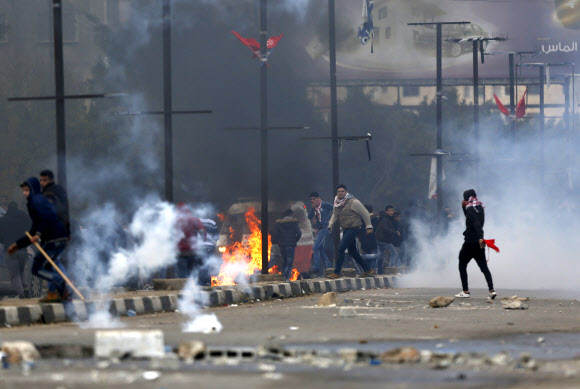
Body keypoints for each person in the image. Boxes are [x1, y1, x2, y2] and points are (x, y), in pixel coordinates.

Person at [6, 177, 72, 303]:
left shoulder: (37, 202)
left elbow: (44, 219)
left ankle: (61, 285)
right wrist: (18, 244)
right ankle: (56, 291)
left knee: (38, 268)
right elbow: (32, 230)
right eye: (23, 190)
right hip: (56, 237)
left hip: (53, 238)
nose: (24, 193)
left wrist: (39, 232)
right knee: (53, 264)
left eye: (26, 190)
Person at [455, 189, 497, 300]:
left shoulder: (470, 209)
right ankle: (492, 290)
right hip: (478, 244)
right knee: (484, 267)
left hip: (470, 242)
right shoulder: (479, 207)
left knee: (462, 264)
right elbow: (469, 218)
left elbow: (476, 224)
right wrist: (463, 207)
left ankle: (465, 291)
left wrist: (480, 237)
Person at [327, 184, 375, 279]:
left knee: (341, 248)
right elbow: (335, 214)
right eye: (339, 191)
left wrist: (369, 226)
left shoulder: (353, 202)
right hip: (345, 228)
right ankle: (367, 270)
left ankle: (337, 272)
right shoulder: (337, 203)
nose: (340, 193)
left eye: (342, 191)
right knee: (353, 252)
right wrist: (330, 224)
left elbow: (364, 213)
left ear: (346, 192)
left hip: (354, 228)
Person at [0, 202, 31, 298]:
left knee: (15, 274)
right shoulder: (25, 219)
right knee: (21, 271)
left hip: (10, 250)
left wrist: (5, 242)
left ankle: (21, 293)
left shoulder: (3, 220)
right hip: (23, 250)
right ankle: (25, 287)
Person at [175, 203, 207, 281]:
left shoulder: (174, 221)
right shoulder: (194, 219)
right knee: (192, 273)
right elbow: (202, 231)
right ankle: (192, 290)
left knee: (181, 275)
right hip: (192, 251)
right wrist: (203, 240)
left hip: (180, 253)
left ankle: (183, 290)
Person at [307, 192, 334, 277]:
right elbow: (309, 217)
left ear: (318, 199)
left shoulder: (324, 204)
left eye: (314, 199)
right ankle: (329, 267)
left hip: (325, 228)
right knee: (320, 249)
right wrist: (312, 208)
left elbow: (334, 209)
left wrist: (331, 221)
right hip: (319, 229)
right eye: (311, 199)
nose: (312, 201)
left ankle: (316, 266)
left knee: (315, 247)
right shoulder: (314, 208)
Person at [271, 209, 302, 280]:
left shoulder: (279, 223)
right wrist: (294, 240)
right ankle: (285, 276)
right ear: (291, 215)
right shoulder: (294, 223)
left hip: (282, 245)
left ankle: (283, 276)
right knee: (289, 262)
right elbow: (299, 233)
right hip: (291, 245)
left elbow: (274, 233)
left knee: (284, 261)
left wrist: (280, 240)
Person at [39, 169, 70, 237]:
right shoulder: (59, 190)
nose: (42, 183)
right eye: (41, 180)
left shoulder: (49, 194)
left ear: (51, 180)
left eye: (45, 180)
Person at [375, 205, 399, 271]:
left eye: (392, 210)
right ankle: (390, 269)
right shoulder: (385, 219)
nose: (391, 212)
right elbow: (386, 229)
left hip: (380, 240)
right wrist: (395, 233)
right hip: (384, 241)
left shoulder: (386, 219)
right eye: (390, 211)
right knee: (394, 253)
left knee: (379, 256)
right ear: (386, 212)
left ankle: (375, 269)